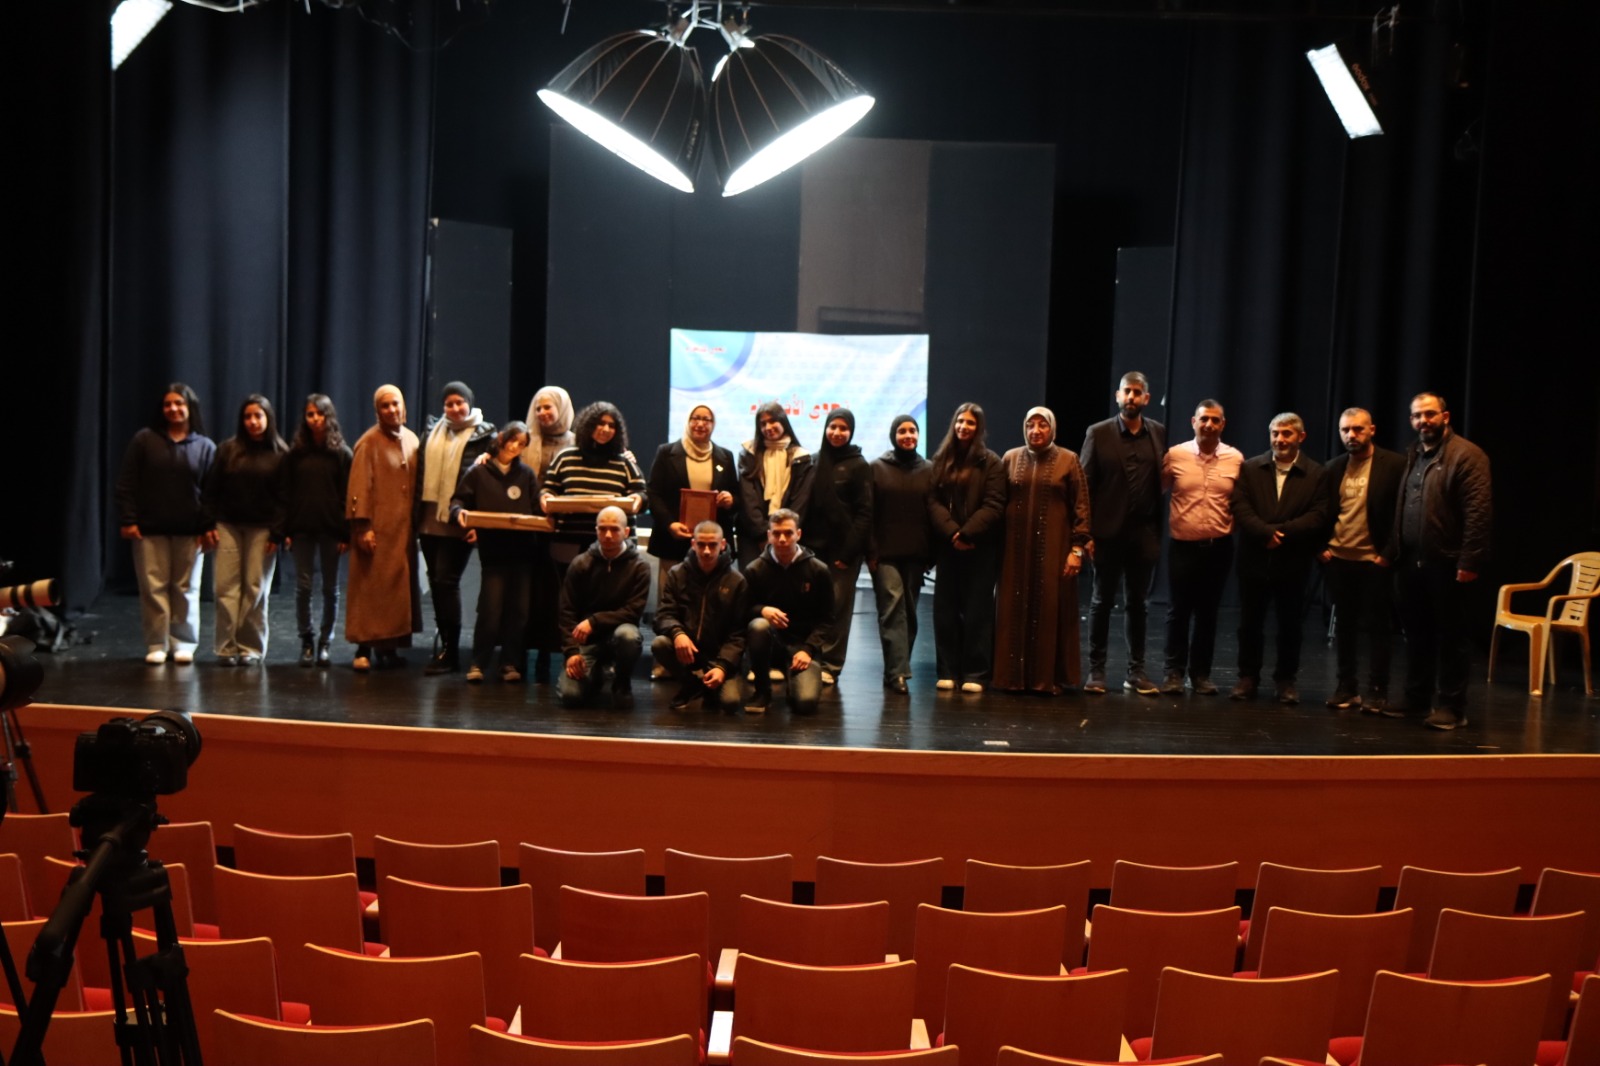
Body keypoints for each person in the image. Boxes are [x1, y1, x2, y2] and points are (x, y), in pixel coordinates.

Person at [1383, 392, 1492, 730]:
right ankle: (1417, 699)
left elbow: (1478, 512)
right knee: (1417, 634)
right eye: (1417, 416)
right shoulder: (1413, 453)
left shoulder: (1467, 455)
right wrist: (1391, 552)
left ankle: (1452, 707)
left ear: (1445, 416)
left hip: (1447, 563)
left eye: (1429, 414)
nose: (1423, 421)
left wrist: (1469, 560)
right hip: (1410, 562)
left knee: (1452, 637)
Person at [1229, 412, 1327, 704]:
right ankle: (1248, 677)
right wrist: (1265, 533)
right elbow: (1240, 505)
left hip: (1293, 561)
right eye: (1275, 433)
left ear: (1301, 437)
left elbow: (1319, 513)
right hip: (1254, 559)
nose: (1280, 439)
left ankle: (1285, 680)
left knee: (1290, 625)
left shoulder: (1316, 473)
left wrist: (1282, 533)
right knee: (1249, 623)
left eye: (1286, 434)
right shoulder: (1250, 468)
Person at [116, 382, 217, 665]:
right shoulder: (144, 440)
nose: (173, 409)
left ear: (190, 408)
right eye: (168, 404)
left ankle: (183, 642)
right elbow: (126, 484)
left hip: (191, 532)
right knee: (153, 588)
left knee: (187, 589)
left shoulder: (205, 447)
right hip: (150, 530)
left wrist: (207, 526)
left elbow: (212, 494)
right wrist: (129, 519)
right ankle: (156, 642)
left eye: (179, 403)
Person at [993, 407, 1092, 695]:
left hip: (1054, 550)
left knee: (1049, 609)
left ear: (1052, 429)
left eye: (1042, 425)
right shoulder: (1010, 458)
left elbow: (1081, 506)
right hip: (1013, 552)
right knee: (1011, 610)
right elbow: (996, 502)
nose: (1035, 430)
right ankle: (1011, 678)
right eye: (1030, 425)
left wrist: (1077, 548)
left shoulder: (1068, 460)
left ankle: (1045, 679)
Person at [1080, 371, 1167, 695]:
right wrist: (1084, 533)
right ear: (1117, 396)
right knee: (1101, 602)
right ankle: (1097, 671)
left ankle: (1136, 671)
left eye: (1137, 392)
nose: (1131, 397)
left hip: (1143, 532)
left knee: (1138, 604)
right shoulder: (1098, 433)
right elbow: (1084, 486)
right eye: (1126, 391)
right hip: (1107, 533)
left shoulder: (1157, 432)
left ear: (1146, 398)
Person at [1319, 407, 1405, 713]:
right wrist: (1321, 548)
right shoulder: (1333, 467)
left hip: (1374, 561)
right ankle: (1346, 687)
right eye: (1345, 430)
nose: (1351, 435)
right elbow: (1322, 512)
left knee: (1378, 627)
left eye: (1357, 429)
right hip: (1339, 558)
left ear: (1372, 430)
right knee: (1345, 626)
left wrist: (1387, 554)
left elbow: (1401, 514)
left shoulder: (1394, 465)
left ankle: (1377, 690)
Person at [645, 404, 739, 679]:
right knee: (669, 602)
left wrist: (730, 500)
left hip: (711, 545)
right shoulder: (667, 452)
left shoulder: (725, 456)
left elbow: (734, 497)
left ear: (713, 424)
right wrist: (669, 524)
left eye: (707, 419)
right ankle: (664, 662)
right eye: (696, 418)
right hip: (674, 540)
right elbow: (654, 493)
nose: (701, 423)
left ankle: (711, 660)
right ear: (688, 421)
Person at [1159, 400, 1245, 695]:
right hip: (1183, 547)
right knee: (1178, 611)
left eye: (1215, 420)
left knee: (1208, 613)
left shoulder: (1235, 458)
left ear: (1223, 424)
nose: (1209, 424)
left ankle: (1200, 675)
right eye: (1204, 419)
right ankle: (1173, 673)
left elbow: (1242, 502)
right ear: (1193, 422)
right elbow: (1157, 490)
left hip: (1219, 548)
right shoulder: (1175, 455)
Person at [416, 381, 495, 675]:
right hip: (429, 521)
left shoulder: (486, 436)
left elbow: (489, 484)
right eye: (449, 404)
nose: (455, 408)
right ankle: (445, 643)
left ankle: (451, 653)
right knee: (436, 582)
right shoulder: (431, 433)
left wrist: (481, 523)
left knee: (447, 581)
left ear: (469, 403)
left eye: (460, 402)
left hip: (458, 522)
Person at [927, 403, 1007, 693]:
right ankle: (947, 670)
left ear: (979, 427)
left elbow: (995, 504)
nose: (964, 427)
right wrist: (952, 533)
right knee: (945, 611)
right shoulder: (941, 460)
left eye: (970, 423)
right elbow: (932, 501)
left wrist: (967, 533)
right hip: (948, 548)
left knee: (978, 613)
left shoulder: (991, 462)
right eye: (960, 421)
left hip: (980, 548)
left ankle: (976, 673)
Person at [451, 422, 539, 683]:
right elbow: (458, 500)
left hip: (523, 553)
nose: (515, 447)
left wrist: (548, 505)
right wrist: (460, 514)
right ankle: (478, 663)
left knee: (519, 612)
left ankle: (509, 663)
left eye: (522, 444)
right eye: (513, 440)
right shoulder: (479, 471)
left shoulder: (526, 474)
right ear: (501, 438)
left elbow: (537, 506)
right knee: (490, 611)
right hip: (493, 554)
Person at [204, 394, 288, 665]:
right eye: (248, 417)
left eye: (258, 416)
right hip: (228, 526)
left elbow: (285, 498)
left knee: (255, 588)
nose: (253, 422)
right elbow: (211, 490)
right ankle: (226, 647)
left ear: (268, 419)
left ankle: (250, 647)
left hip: (263, 530)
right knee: (225, 587)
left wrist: (278, 532)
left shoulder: (281, 454)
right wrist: (208, 524)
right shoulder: (227, 450)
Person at [346, 384, 422, 671]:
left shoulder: (412, 440)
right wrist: (363, 527)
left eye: (395, 404)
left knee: (396, 593)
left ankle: (389, 648)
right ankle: (363, 648)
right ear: (377, 411)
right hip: (377, 530)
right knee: (371, 589)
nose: (391, 410)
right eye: (385, 406)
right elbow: (358, 488)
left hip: (402, 532)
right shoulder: (369, 443)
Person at [276, 394, 352, 668]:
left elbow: (348, 497)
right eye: (310, 414)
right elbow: (285, 493)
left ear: (329, 417)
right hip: (301, 529)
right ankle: (307, 641)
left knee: (331, 589)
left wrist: (346, 533)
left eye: (320, 414)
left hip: (331, 530)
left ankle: (325, 643)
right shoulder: (294, 454)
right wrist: (285, 530)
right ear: (305, 418)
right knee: (304, 587)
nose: (315, 419)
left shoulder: (342, 454)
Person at [558, 506, 650, 708]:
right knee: (571, 696)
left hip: (618, 634)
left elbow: (633, 612)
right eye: (602, 529)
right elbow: (566, 611)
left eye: (615, 529)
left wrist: (594, 621)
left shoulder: (639, 567)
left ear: (626, 532)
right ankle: (597, 672)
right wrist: (572, 652)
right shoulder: (580, 563)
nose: (608, 535)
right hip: (587, 640)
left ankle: (622, 683)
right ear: (596, 530)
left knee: (629, 636)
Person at [742, 509, 834, 713]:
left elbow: (827, 619)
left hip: (802, 646)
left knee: (805, 703)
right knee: (758, 625)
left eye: (788, 533)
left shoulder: (818, 570)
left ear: (798, 534)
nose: (782, 539)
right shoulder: (754, 570)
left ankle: (794, 683)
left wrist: (808, 649)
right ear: (769, 535)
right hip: (770, 643)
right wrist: (762, 610)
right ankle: (762, 691)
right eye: (776, 533)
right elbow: (743, 611)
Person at [806, 409, 873, 685]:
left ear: (851, 432)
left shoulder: (859, 465)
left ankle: (831, 664)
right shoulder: (812, 461)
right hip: (812, 550)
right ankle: (809, 658)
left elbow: (865, 513)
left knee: (837, 607)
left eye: (843, 428)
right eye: (832, 426)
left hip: (843, 552)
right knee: (812, 606)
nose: (837, 432)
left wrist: (848, 553)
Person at [651, 521, 748, 711]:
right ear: (693, 544)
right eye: (701, 544)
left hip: (719, 655)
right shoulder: (677, 574)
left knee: (730, 703)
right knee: (660, 644)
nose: (706, 551)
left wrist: (722, 667)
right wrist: (677, 633)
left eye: (712, 545)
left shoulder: (737, 581)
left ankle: (710, 683)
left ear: (723, 544)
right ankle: (691, 683)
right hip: (688, 652)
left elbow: (738, 633)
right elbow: (664, 614)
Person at [869, 414, 934, 695]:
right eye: (902, 431)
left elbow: (933, 514)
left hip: (916, 553)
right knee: (892, 609)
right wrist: (871, 551)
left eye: (912, 431)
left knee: (909, 611)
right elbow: (869, 513)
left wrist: (931, 553)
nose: (908, 435)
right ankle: (898, 673)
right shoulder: (877, 468)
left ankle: (896, 668)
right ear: (893, 435)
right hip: (885, 554)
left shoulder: (929, 469)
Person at [521, 384, 577, 684]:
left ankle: (554, 651)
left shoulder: (577, 443)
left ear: (562, 409)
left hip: (562, 532)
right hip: (528, 532)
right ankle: (523, 652)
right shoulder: (523, 440)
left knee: (556, 594)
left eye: (548, 407)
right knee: (528, 594)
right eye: (538, 408)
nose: (543, 413)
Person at [542, 402, 646, 558]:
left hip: (614, 549)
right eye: (600, 423)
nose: (606, 429)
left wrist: (638, 500)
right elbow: (549, 489)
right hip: (569, 543)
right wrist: (545, 498)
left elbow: (641, 495)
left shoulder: (625, 463)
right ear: (588, 425)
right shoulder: (565, 458)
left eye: (611, 426)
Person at [736, 402, 815, 566]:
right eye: (763, 424)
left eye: (773, 421)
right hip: (752, 536)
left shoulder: (802, 458)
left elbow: (801, 500)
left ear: (783, 422)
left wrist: (782, 532)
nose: (768, 427)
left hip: (788, 536)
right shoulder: (748, 454)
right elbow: (748, 497)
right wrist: (763, 534)